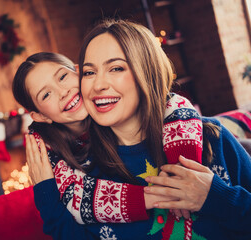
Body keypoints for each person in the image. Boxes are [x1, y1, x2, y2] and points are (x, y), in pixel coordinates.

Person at [32, 19, 251, 240]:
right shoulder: (86, 180)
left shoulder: (211, 137)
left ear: (146, 71)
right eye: (89, 73)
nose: (98, 85)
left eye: (116, 68)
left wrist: (215, 197)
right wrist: (46, 195)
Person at [12, 50, 203, 223]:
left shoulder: (109, 101)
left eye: (62, 77)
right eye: (46, 95)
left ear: (79, 72)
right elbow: (77, 199)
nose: (63, 92)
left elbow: (172, 102)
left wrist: (181, 170)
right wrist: (159, 195)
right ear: (40, 116)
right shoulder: (47, 153)